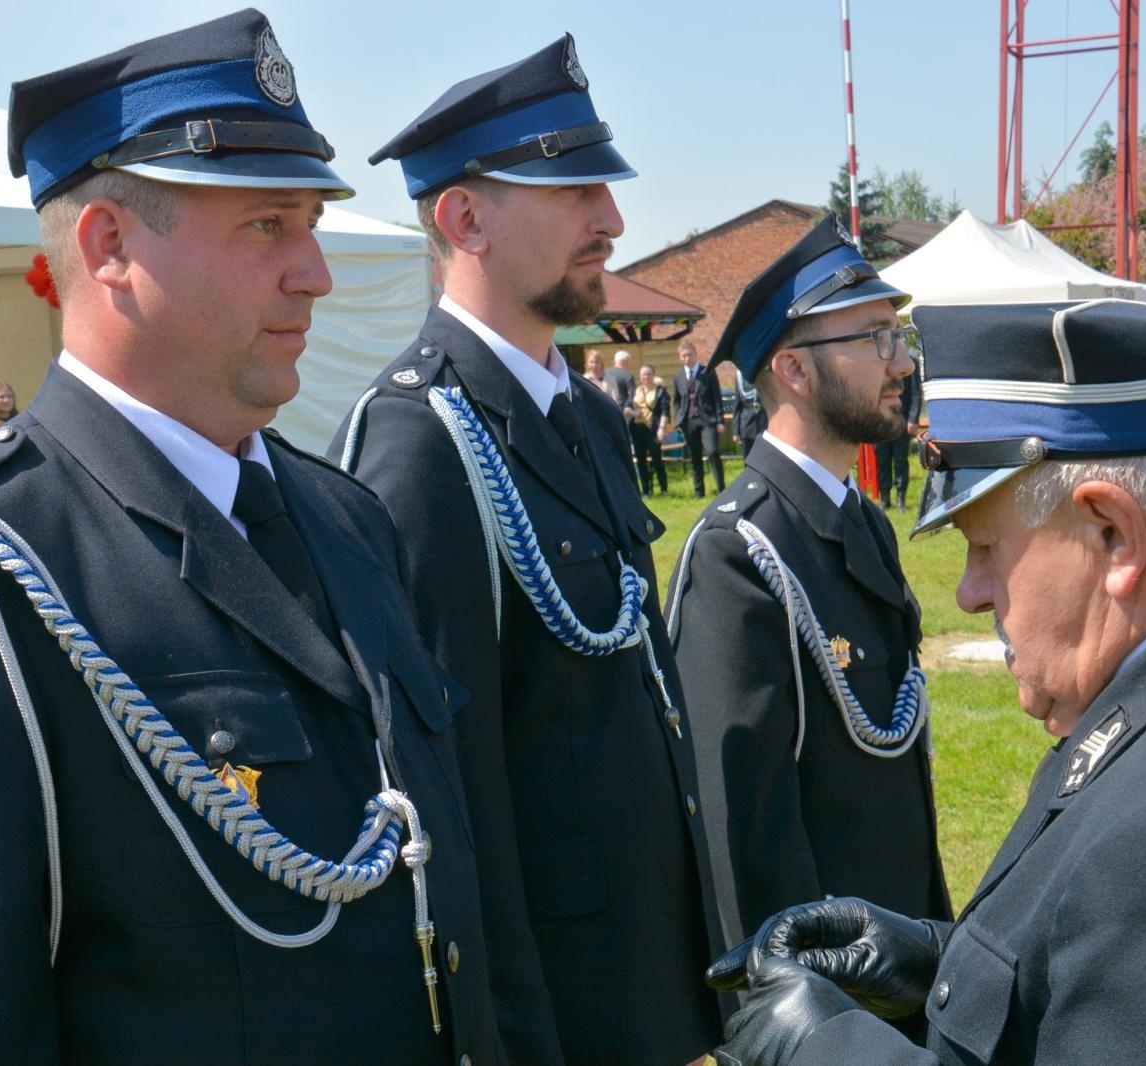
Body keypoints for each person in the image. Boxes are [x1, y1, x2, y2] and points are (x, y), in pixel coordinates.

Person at [0, 12, 503, 1062]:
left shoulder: (343, 516)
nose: (315, 274)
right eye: (265, 227)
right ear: (109, 245)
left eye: (312, 225)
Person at [707, 299, 1146, 1065]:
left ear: (1112, 535)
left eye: (985, 545)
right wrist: (948, 960)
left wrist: (825, 1052)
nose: (970, 593)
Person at [330, 35, 723, 1064]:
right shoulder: (417, 440)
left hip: (651, 971)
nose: (613, 221)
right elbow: (444, 791)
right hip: (555, 1003)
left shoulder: (583, 417)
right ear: (463, 218)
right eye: (573, 190)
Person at [666, 218, 950, 978]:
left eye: (899, 338)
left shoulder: (858, 520)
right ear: (792, 369)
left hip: (896, 952)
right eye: (876, 340)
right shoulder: (738, 553)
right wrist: (790, 1006)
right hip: (823, 985)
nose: (902, 364)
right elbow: (743, 823)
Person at [674, 338, 727, 496]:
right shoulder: (678, 377)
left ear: (695, 354)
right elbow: (676, 400)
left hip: (707, 421)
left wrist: (720, 419)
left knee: (713, 452)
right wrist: (678, 418)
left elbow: (716, 396)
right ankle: (699, 492)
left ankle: (721, 489)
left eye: (689, 355)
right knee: (695, 458)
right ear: (680, 357)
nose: (687, 358)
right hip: (688, 422)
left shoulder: (707, 372)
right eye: (683, 356)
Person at [873, 371, 919, 511]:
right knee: (882, 461)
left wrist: (913, 418)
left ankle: (900, 498)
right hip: (880, 420)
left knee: (900, 461)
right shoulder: (878, 360)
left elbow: (915, 393)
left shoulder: (909, 361)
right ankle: (885, 499)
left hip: (902, 419)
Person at [630, 363, 669, 494]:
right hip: (637, 429)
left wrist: (662, 428)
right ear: (640, 377)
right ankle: (646, 490)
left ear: (653, 375)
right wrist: (633, 413)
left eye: (648, 374)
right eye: (643, 374)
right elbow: (626, 406)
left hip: (653, 430)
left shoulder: (660, 391)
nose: (645, 376)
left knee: (657, 459)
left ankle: (664, 489)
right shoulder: (635, 391)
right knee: (641, 461)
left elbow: (665, 411)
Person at [732, 366, 768, 458]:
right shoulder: (740, 377)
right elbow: (737, 405)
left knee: (764, 458)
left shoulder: (763, 372)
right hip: (747, 425)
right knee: (748, 457)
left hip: (764, 422)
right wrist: (736, 431)